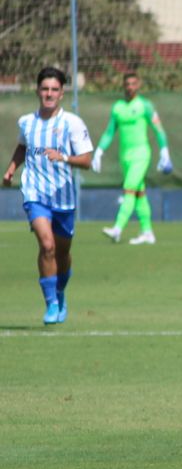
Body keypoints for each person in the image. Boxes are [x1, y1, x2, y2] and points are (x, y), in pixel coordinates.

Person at [3, 67, 95, 325]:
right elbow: (23, 146)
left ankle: (60, 293)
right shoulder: (27, 122)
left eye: (54, 89)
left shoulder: (72, 123)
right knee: (47, 245)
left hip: (63, 198)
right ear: (37, 91)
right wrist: (11, 170)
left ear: (62, 93)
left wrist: (63, 157)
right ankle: (51, 304)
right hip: (34, 193)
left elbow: (86, 161)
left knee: (62, 254)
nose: (49, 93)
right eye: (45, 88)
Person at [94, 70, 172, 244]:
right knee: (139, 193)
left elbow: (158, 130)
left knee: (129, 188)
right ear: (123, 85)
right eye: (127, 84)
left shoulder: (145, 105)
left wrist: (164, 151)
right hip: (125, 157)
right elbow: (109, 132)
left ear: (138, 85)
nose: (130, 87)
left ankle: (117, 228)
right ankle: (147, 232)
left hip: (141, 154)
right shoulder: (118, 107)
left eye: (133, 84)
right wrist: (99, 151)